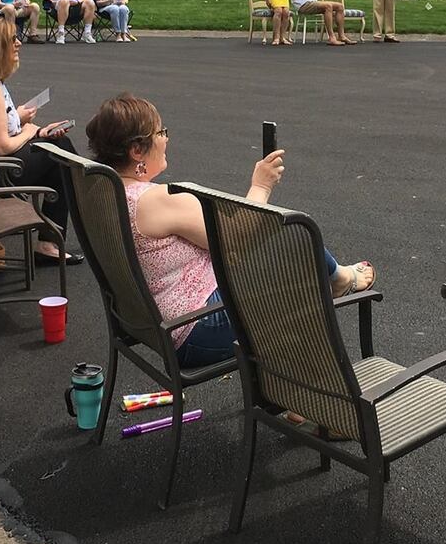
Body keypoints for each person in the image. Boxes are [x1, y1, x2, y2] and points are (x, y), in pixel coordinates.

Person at [84, 93, 375, 367]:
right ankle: (312, 388)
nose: (166, 139)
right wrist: (260, 186)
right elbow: (236, 242)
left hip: (147, 320)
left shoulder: (103, 192)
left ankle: (338, 277)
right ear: (137, 150)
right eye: (161, 133)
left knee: (284, 246)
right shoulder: (156, 200)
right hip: (196, 328)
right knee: (294, 245)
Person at [0, 16, 81, 264]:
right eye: (12, 39)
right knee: (61, 153)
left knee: (56, 150)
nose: (18, 43)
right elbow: (1, 146)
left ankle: (52, 238)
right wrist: (31, 131)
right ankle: (53, 239)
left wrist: (39, 133)